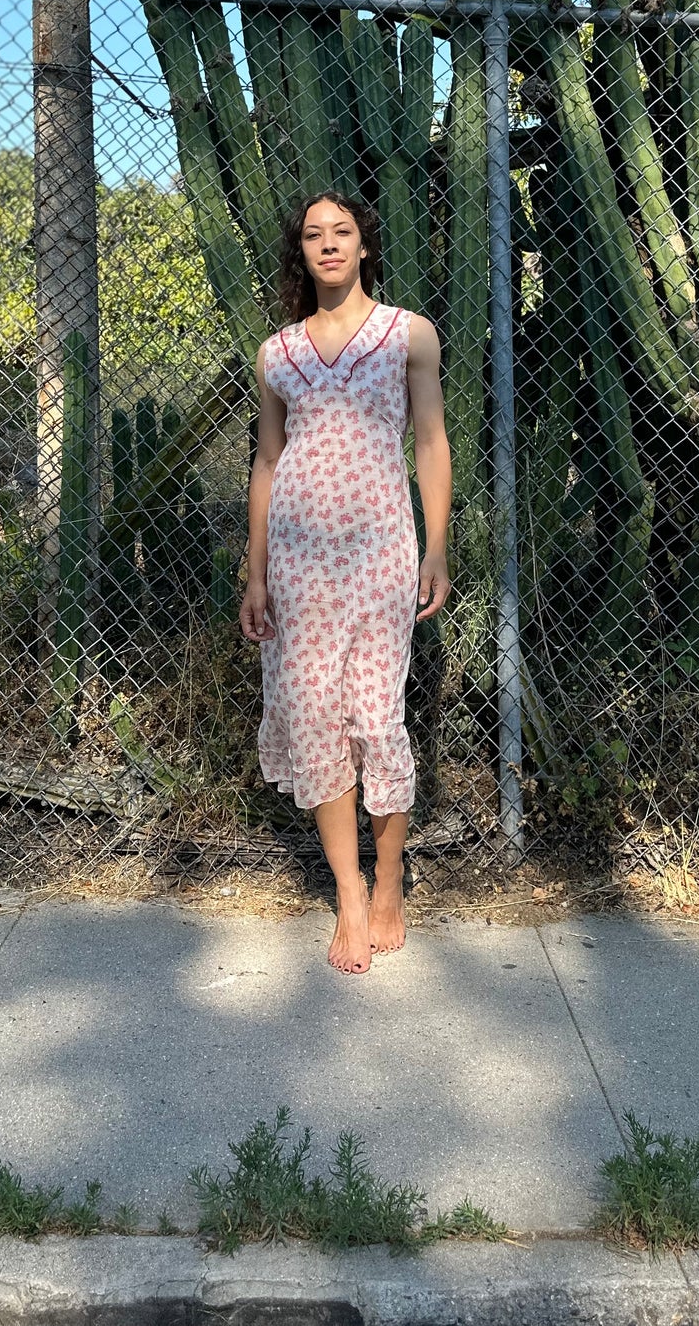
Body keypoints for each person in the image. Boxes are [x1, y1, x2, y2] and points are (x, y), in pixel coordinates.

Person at [239, 192, 452, 974]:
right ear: (300, 252)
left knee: (375, 716)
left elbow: (429, 441)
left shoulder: (407, 335)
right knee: (312, 719)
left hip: (379, 554)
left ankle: (391, 876)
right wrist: (255, 572)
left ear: (364, 246)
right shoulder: (277, 354)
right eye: (312, 235)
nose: (327, 244)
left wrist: (437, 548)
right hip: (296, 563)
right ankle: (350, 892)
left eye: (342, 232)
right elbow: (267, 462)